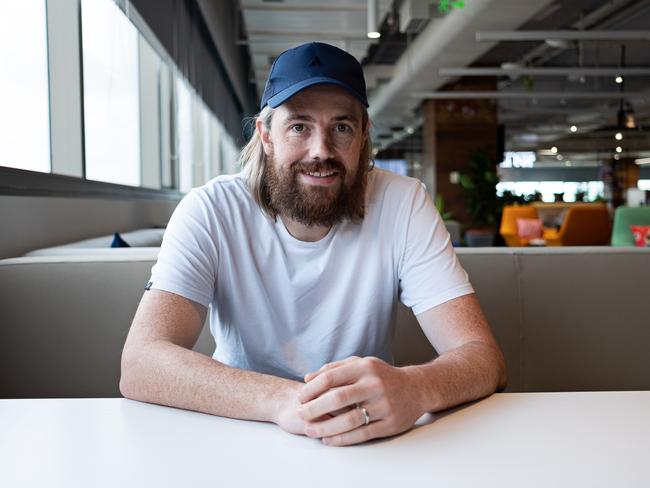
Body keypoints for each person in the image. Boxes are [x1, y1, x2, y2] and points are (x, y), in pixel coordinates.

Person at [120, 42, 506, 447]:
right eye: (299, 126)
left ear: (362, 136)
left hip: (366, 437)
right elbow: (141, 362)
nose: (321, 150)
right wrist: (287, 401)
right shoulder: (211, 209)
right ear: (266, 134)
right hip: (238, 430)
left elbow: (484, 358)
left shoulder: (403, 202)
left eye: (341, 127)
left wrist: (416, 387)